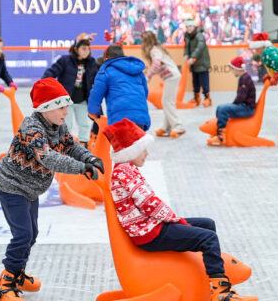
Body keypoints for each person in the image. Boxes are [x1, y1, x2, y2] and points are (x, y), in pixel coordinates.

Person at [105, 118, 257, 301]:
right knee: (208, 238)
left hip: (149, 227)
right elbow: (150, 203)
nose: (147, 153)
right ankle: (221, 292)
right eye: (143, 148)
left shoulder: (125, 169)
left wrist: (176, 222)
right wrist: (176, 221)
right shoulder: (125, 172)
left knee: (207, 224)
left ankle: (205, 275)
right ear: (132, 151)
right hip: (150, 232)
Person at [0, 78, 104, 301]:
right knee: (23, 234)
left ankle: (18, 273)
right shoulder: (32, 129)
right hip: (11, 186)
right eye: (61, 107)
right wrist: (81, 168)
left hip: (31, 188)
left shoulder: (58, 125)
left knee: (31, 234)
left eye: (67, 106)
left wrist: (89, 156)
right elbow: (49, 158)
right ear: (46, 108)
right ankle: (6, 283)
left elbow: (70, 145)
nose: (66, 111)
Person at [41, 33, 98, 146]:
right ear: (76, 49)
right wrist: (44, 81)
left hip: (82, 100)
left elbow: (98, 77)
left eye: (88, 49)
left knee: (84, 124)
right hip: (67, 101)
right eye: (83, 48)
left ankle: (83, 145)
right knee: (67, 124)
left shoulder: (91, 63)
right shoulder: (65, 60)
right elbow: (53, 71)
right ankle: (65, 145)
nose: (86, 51)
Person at [87, 44, 150, 130]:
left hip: (119, 118)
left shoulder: (105, 71)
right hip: (140, 117)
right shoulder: (138, 71)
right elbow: (145, 93)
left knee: (122, 142)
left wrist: (93, 112)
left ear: (106, 57)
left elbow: (96, 94)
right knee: (136, 142)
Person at [140, 30, 184, 137]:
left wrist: (147, 78)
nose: (142, 44)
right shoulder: (156, 49)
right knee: (166, 101)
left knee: (168, 102)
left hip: (172, 77)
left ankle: (178, 126)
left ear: (147, 42)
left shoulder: (154, 51)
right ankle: (167, 127)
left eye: (143, 41)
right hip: (171, 77)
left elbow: (156, 64)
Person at [208, 56, 256, 146]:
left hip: (247, 109)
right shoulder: (243, 77)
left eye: (232, 69)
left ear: (238, 69)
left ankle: (221, 136)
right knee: (220, 108)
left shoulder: (244, 79)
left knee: (223, 109)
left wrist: (232, 106)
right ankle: (219, 131)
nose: (232, 71)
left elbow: (241, 97)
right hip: (244, 106)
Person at [183, 18, 212, 107]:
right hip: (194, 64)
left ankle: (208, 99)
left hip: (202, 62)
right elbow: (186, 47)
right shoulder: (187, 36)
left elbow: (200, 46)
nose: (189, 28)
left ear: (194, 26)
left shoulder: (199, 35)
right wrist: (186, 55)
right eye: (187, 26)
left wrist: (193, 57)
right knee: (195, 82)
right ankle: (196, 98)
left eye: (190, 26)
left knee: (204, 82)